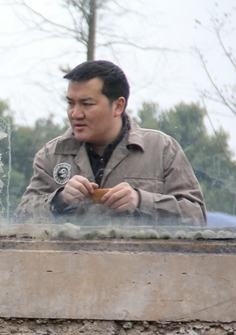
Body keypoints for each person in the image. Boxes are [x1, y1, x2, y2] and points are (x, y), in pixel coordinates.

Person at [15, 60, 206, 226]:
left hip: (143, 266)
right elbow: (21, 220)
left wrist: (141, 201)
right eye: (70, 103)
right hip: (69, 267)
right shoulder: (51, 155)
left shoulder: (162, 149)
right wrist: (60, 201)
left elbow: (197, 217)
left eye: (86, 104)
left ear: (118, 106)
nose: (75, 113)